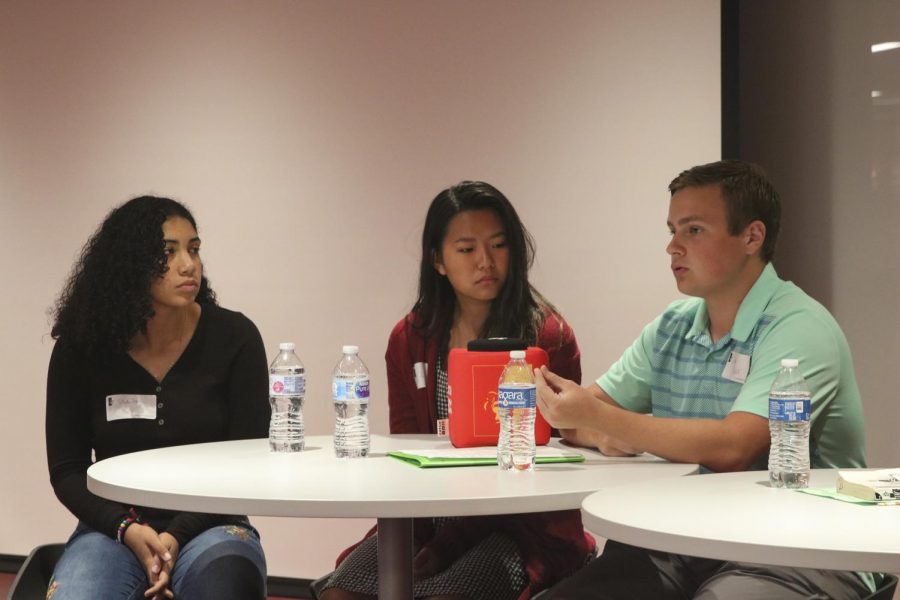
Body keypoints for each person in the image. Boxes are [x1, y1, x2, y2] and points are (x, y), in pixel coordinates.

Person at [535, 160, 874, 599]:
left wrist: (603, 420)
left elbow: (734, 447)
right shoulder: (673, 325)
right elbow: (578, 416)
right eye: (672, 229)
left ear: (752, 237)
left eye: (693, 230)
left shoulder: (798, 326)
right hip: (679, 543)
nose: (672, 247)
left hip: (797, 549)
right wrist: (599, 432)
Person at [321, 181, 595, 600]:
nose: (486, 262)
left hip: (518, 522)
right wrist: (431, 534)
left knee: (448, 595)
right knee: (343, 593)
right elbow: (408, 446)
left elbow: (548, 457)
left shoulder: (546, 334)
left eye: (499, 245)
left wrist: (451, 544)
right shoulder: (411, 336)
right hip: (426, 516)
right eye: (467, 250)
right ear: (439, 261)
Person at [46, 196, 269, 600]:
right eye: (169, 252)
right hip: (112, 528)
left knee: (228, 585)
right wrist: (128, 530)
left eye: (194, 249)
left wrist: (175, 535)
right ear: (128, 264)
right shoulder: (83, 347)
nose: (189, 265)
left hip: (212, 523)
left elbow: (248, 462)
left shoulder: (235, 338)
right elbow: (67, 470)